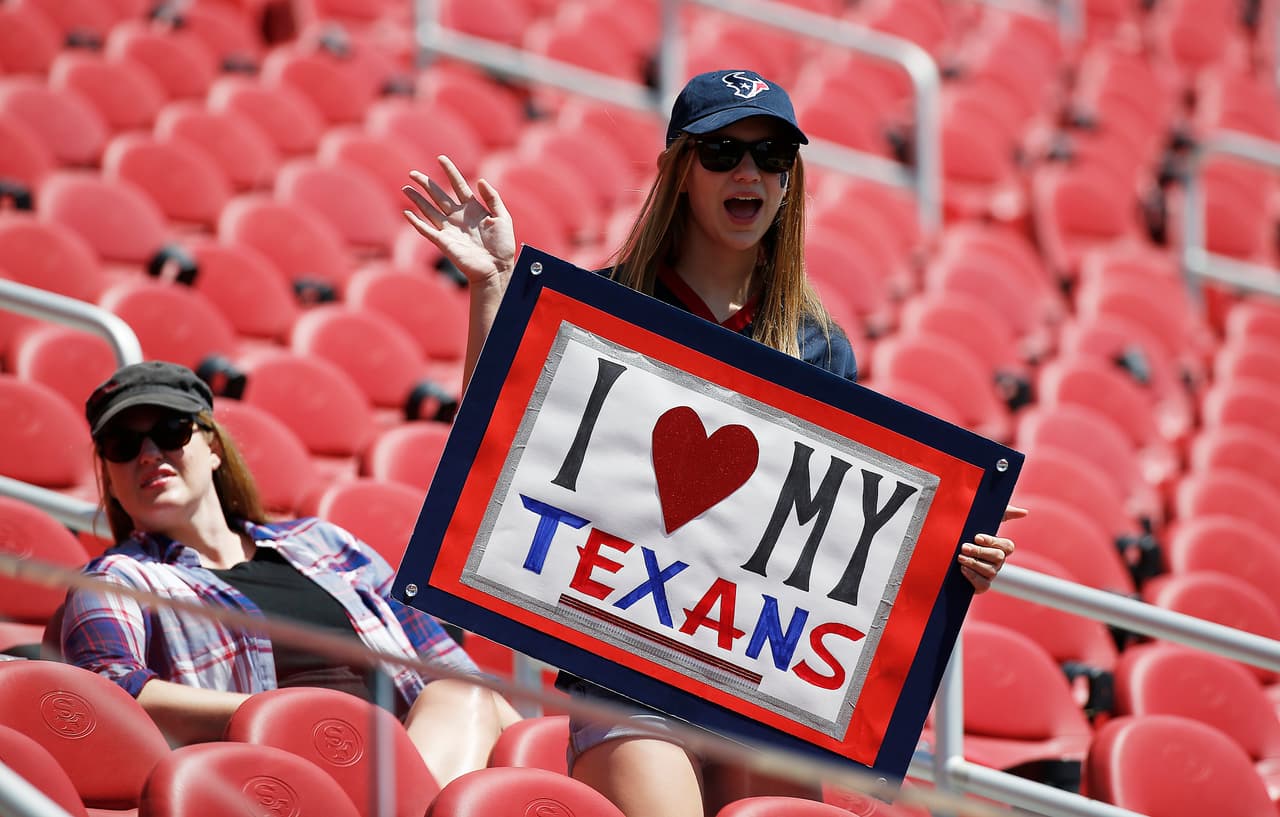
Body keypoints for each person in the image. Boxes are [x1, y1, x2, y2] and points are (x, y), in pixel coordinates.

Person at [403, 69, 1021, 817]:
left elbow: (832, 546)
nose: (749, 173)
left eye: (772, 158)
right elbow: (493, 457)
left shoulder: (819, 344)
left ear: (790, 182)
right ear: (680, 171)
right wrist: (494, 285)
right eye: (724, 150)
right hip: (627, 674)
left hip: (760, 687)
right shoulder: (607, 305)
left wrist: (947, 554)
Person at [60, 360, 522, 786]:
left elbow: (446, 668)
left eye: (172, 430)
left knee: (470, 699)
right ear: (109, 477)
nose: (147, 453)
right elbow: (111, 693)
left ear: (213, 447)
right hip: (282, 778)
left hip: (414, 754)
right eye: (122, 444)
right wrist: (287, 715)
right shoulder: (115, 579)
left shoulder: (324, 542)